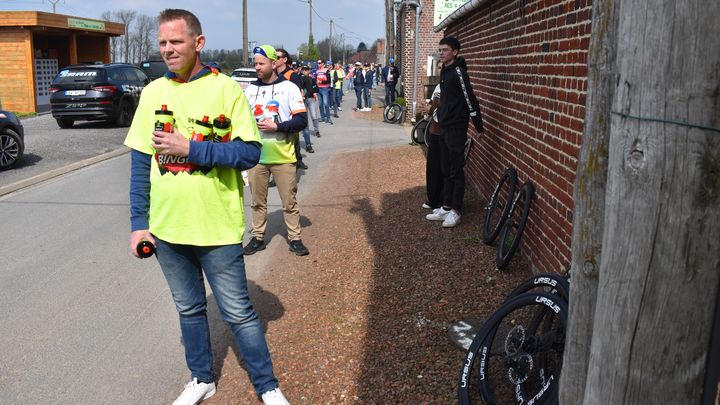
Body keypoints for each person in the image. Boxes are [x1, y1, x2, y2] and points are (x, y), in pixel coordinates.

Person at [124, 9, 290, 405]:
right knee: (189, 309)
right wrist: (138, 223)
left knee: (239, 313)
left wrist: (191, 148)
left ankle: (267, 386)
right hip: (166, 230)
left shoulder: (226, 90)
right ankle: (202, 378)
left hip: (216, 227)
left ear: (198, 43)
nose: (167, 50)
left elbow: (249, 152)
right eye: (162, 42)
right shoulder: (152, 94)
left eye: (175, 42)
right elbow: (138, 167)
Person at [244, 45, 310, 257]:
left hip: (283, 156)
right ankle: (258, 237)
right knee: (257, 201)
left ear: (274, 63)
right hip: (257, 157)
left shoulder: (289, 88)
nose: (257, 68)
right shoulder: (250, 90)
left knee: (289, 202)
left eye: (261, 63)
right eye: (255, 63)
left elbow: (301, 120)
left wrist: (278, 127)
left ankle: (295, 238)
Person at [425, 36, 484, 228]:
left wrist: (478, 125)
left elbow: (470, 99)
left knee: (455, 170)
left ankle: (456, 210)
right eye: (440, 50)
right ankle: (446, 205)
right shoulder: (444, 71)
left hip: (456, 127)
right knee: (444, 168)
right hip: (443, 126)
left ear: (455, 52)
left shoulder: (459, 72)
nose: (441, 53)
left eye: (445, 50)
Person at [275, 48, 308, 170]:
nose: (275, 59)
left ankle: (296, 163)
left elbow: (296, 95)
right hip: (276, 112)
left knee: (293, 140)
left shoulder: (292, 75)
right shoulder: (273, 74)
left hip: (290, 113)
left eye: (277, 57)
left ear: (284, 59)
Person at [300, 65, 320, 152]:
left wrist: (308, 93)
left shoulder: (311, 79)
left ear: (309, 70)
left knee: (314, 116)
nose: (304, 71)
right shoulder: (300, 79)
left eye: (306, 70)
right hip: (303, 100)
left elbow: (316, 88)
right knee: (305, 117)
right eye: (303, 70)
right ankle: (306, 132)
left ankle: (317, 131)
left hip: (311, 98)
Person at [314, 59, 333, 124]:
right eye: (318, 63)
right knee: (320, 104)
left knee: (326, 104)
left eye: (319, 63)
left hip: (325, 89)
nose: (318, 64)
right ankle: (322, 118)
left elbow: (329, 80)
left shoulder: (326, 70)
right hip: (318, 89)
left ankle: (328, 118)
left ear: (323, 63)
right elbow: (315, 79)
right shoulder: (317, 71)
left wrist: (321, 81)